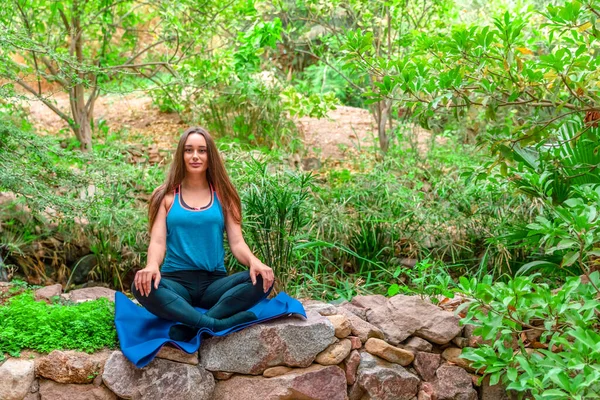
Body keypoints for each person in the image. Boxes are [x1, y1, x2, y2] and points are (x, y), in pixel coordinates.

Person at [131, 126, 275, 341]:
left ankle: (191, 327)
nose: (195, 156)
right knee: (140, 286)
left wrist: (255, 262)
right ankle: (217, 323)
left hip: (214, 285)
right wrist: (152, 266)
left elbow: (237, 242)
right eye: (189, 150)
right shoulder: (165, 196)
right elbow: (158, 242)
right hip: (176, 283)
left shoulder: (225, 195)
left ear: (210, 156)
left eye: (202, 150)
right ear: (181, 155)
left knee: (263, 278)